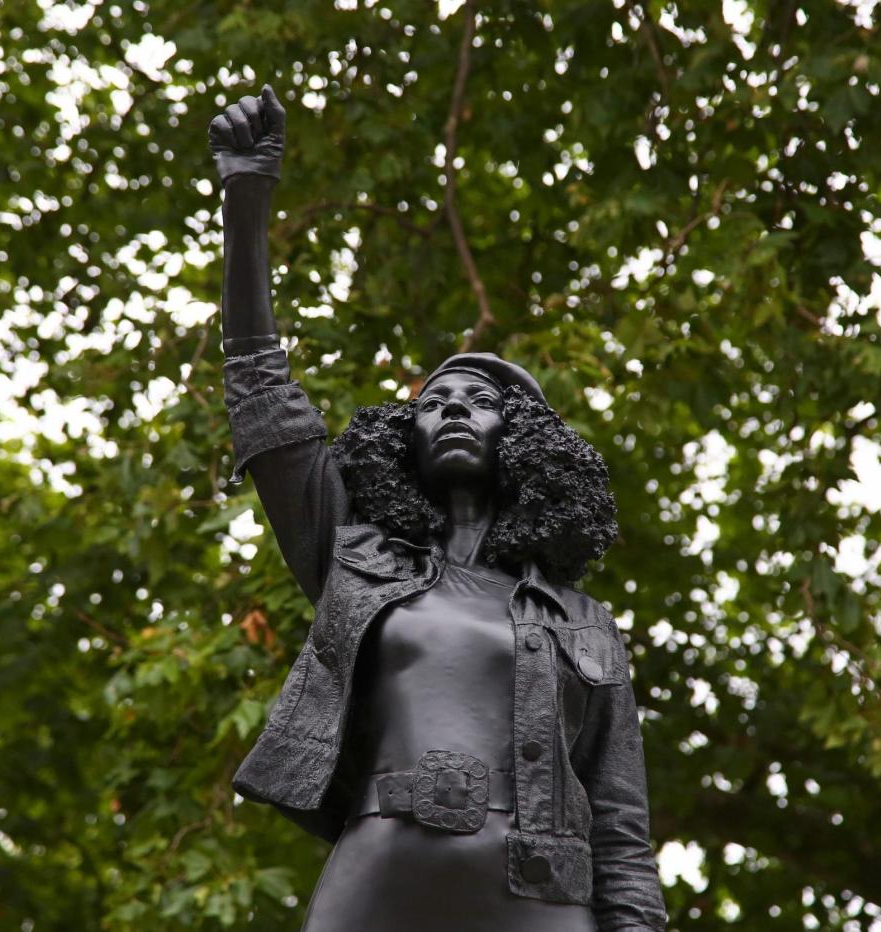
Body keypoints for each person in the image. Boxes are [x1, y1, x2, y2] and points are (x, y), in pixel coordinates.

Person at [209, 85, 667, 932]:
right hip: (383, 871)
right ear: (403, 440)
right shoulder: (353, 556)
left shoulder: (585, 623)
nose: (453, 408)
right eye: (432, 400)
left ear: (523, 444)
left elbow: (623, 833)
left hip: (540, 893)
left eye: (480, 402)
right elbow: (262, 396)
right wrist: (245, 199)